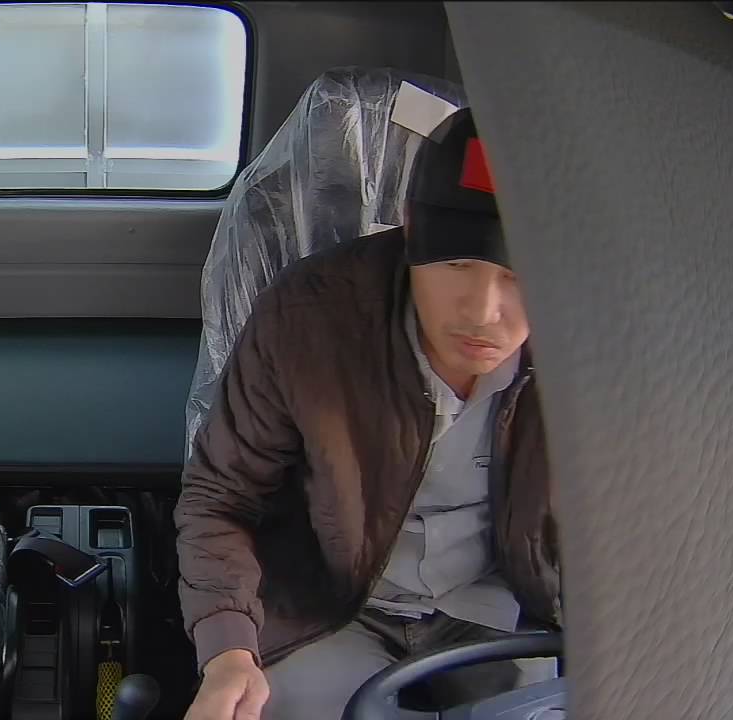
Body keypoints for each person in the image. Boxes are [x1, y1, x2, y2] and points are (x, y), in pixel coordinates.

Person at [175, 107, 561, 720]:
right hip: (331, 606)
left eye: (519, 276)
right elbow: (222, 497)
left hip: (507, 606)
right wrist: (228, 652)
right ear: (410, 229)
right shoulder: (307, 320)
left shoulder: (596, 347)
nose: (482, 312)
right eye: (457, 264)